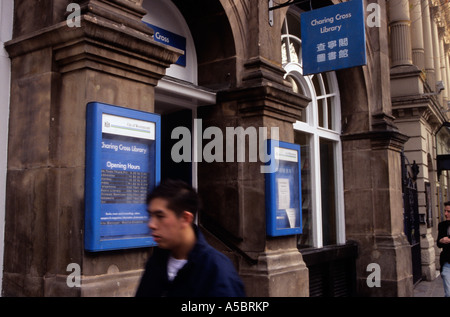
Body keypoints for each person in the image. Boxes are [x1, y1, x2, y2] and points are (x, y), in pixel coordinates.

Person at [135, 179, 245, 297]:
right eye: (150, 216)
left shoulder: (216, 269)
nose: (151, 224)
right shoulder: (156, 262)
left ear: (185, 218)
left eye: (160, 216)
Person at [437, 201, 450, 297]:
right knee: (448, 293)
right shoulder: (442, 225)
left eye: (448, 211)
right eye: (445, 211)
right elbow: (438, 243)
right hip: (447, 263)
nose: (446, 214)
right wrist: (441, 240)